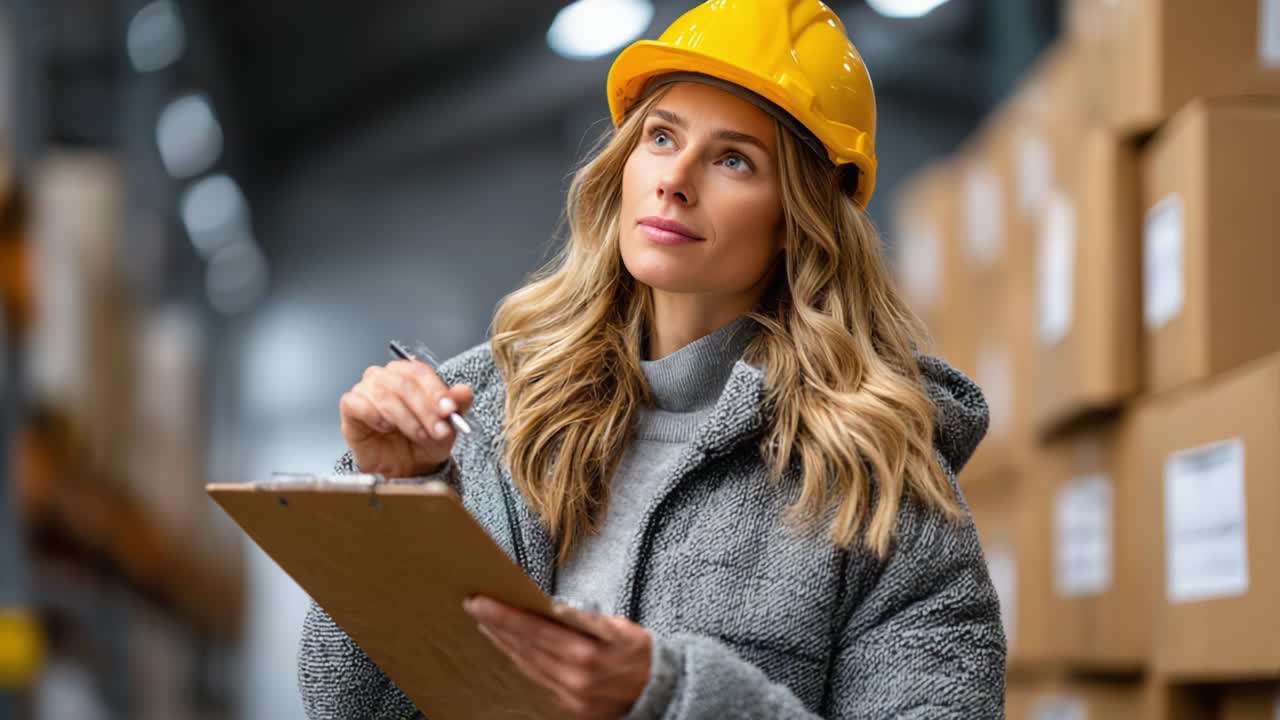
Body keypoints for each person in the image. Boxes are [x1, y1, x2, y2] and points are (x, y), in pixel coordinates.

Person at [298, 1, 1006, 718]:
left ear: (799, 218)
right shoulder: (489, 409)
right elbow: (343, 705)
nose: (676, 179)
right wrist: (394, 506)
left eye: (734, 159)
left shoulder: (878, 477)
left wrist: (673, 696)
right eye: (662, 137)